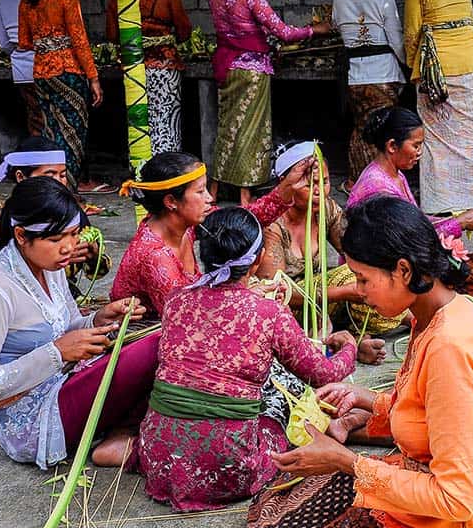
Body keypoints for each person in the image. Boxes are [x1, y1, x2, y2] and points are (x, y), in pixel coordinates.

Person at [227, 196, 473, 528]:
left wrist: (345, 462)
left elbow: (455, 499)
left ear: (403, 270)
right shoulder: (439, 312)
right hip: (433, 484)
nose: (358, 292)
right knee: (281, 493)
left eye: (363, 279)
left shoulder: (449, 347)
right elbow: (430, 412)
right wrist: (368, 399)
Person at [128, 207, 357, 511]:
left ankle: (130, 449)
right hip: (229, 468)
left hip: (159, 459)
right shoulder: (268, 313)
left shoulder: (177, 299)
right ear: (258, 259)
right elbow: (323, 373)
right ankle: (341, 427)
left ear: (204, 253)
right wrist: (349, 347)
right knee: (282, 398)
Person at [0, 177, 156, 470]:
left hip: (65, 378)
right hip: (33, 417)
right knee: (153, 348)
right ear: (22, 235)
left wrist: (99, 319)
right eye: (55, 239)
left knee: (152, 345)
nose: (68, 248)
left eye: (74, 234)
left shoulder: (48, 265)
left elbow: (65, 325)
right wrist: (57, 353)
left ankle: (119, 435)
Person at [110, 150, 313, 317]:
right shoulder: (154, 257)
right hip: (153, 336)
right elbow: (187, 320)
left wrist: (288, 187)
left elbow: (242, 221)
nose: (209, 198)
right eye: (200, 192)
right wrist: (244, 297)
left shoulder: (184, 224)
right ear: (171, 201)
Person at [256, 141, 387, 364]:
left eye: (324, 182)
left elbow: (355, 249)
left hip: (322, 303)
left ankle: (408, 322)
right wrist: (344, 291)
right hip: (289, 313)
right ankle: (350, 344)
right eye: (310, 185)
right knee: (348, 277)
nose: (319, 192)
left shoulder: (325, 208)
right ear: (287, 185)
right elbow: (276, 295)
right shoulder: (273, 226)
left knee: (372, 277)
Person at [207, 0, 333, 205]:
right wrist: (315, 30)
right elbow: (283, 32)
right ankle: (245, 196)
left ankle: (214, 190)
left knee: (227, 128)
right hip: (252, 72)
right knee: (251, 131)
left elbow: (237, 27)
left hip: (227, 66)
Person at [404, 0, 473, 215]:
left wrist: (413, 65)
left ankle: (440, 207)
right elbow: (469, 18)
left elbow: (412, 31)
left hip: (435, 64)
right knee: (472, 139)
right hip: (471, 61)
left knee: (435, 139)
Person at [0, 137, 110, 297]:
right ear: (21, 177)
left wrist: (93, 256)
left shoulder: (73, 216)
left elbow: (97, 273)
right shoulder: (3, 225)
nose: (59, 182)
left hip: (65, 296)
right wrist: (57, 259)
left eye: (62, 175)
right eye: (50, 175)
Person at [17, 0, 107, 193]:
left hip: (40, 72)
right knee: (72, 135)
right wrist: (93, 78)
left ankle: (48, 191)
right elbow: (79, 39)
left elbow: (24, 42)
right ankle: (67, 194)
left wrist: (46, 44)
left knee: (51, 132)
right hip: (68, 71)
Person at [347, 107, 473, 237]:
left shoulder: (395, 174)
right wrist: (459, 224)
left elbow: (416, 222)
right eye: (416, 146)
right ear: (392, 146)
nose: (420, 153)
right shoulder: (378, 187)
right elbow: (410, 241)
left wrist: (455, 219)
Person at [331, 0, 406, 192]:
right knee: (382, 130)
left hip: (355, 76)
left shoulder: (339, 0)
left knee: (361, 128)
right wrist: (408, 65)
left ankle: (355, 182)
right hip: (382, 73)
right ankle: (378, 184)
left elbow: (336, 26)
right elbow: (397, 41)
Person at [107, 0, 192, 154]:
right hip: (164, 69)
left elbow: (112, 36)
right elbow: (184, 32)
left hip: (133, 69)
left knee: (138, 122)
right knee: (166, 121)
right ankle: (167, 168)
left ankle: (142, 166)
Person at [0, 0, 43, 137]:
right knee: (58, 118)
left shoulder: (4, 0)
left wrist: (20, 53)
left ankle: (40, 156)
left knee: (36, 117)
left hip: (23, 70)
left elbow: (4, 45)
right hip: (52, 66)